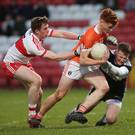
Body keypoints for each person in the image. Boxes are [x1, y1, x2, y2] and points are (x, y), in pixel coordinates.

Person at [31, 8, 119, 127]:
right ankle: (38, 117)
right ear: (102, 22)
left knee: (103, 87)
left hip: (88, 64)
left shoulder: (104, 32)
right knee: (59, 95)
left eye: (112, 28)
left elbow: (98, 48)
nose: (111, 30)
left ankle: (78, 112)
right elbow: (82, 60)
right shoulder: (90, 35)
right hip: (76, 64)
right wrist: (101, 61)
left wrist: (107, 44)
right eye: (109, 27)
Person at [1, 16, 81, 128]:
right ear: (37, 31)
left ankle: (34, 124)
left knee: (39, 93)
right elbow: (55, 57)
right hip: (10, 63)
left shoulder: (38, 32)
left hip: (23, 62)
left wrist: (79, 37)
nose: (48, 30)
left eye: (48, 28)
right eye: (45, 28)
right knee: (37, 80)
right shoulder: (32, 44)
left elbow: (61, 34)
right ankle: (32, 115)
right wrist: (76, 53)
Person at [65, 42, 132, 126]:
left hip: (116, 93)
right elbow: (96, 46)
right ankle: (73, 113)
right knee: (87, 109)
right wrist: (106, 41)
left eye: (125, 58)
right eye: (120, 57)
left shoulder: (128, 65)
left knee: (111, 119)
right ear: (116, 52)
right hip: (100, 88)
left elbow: (118, 72)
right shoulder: (106, 53)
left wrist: (105, 62)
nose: (122, 60)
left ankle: (104, 120)